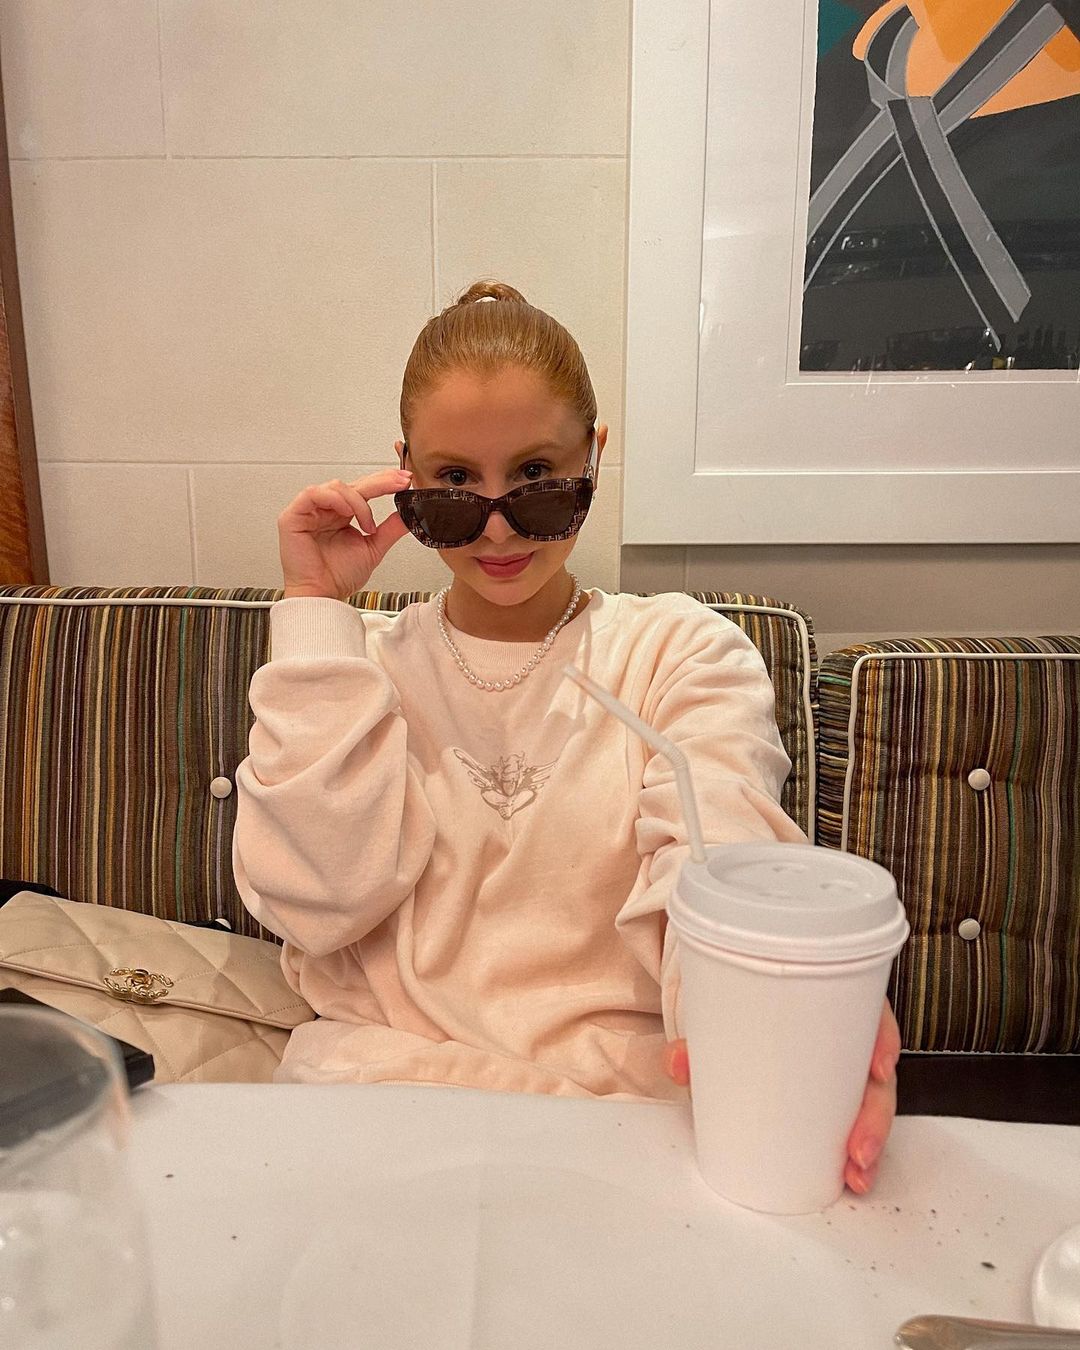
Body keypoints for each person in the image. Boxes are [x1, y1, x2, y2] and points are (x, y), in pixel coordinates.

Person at [232, 281, 900, 1195]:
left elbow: (714, 861)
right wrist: (314, 609)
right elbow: (316, 906)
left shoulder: (680, 652)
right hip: (376, 1098)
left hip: (613, 1119)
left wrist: (778, 1009)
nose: (498, 525)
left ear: (596, 454)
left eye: (538, 476)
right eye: (454, 484)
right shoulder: (355, 671)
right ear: (405, 474)